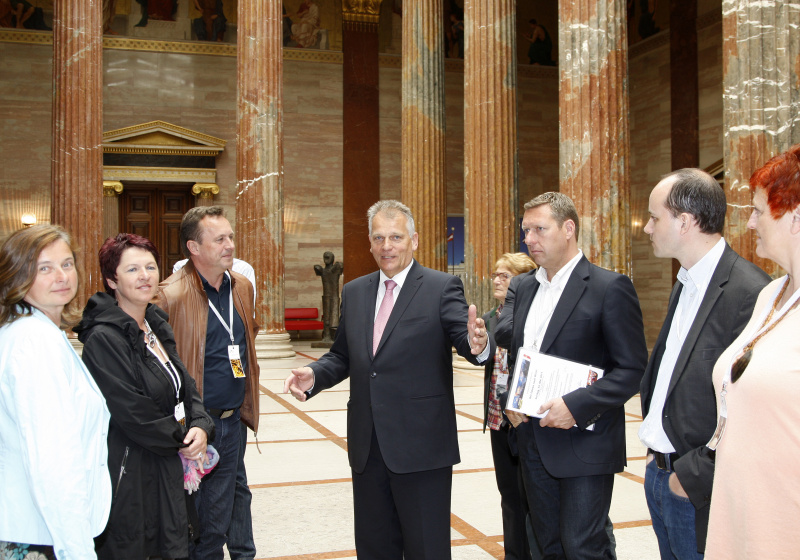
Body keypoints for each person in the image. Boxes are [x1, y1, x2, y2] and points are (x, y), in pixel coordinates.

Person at [284, 199, 492, 559]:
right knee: (374, 547)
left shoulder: (441, 287)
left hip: (422, 446)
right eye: (378, 238)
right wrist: (314, 374)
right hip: (368, 446)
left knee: (426, 548)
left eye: (395, 237)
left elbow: (467, 340)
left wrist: (480, 344)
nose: (387, 246)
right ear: (369, 242)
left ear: (414, 240)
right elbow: (343, 355)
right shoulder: (355, 291)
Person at [497, 192, 648, 560]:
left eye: (539, 229)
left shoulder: (608, 287)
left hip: (584, 441)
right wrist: (512, 402)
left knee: (583, 547)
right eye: (525, 230)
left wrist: (576, 406)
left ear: (568, 229)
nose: (529, 239)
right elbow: (521, 354)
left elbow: (631, 369)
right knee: (548, 546)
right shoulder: (525, 287)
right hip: (532, 439)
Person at [638, 169, 769, 559]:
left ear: (685, 221)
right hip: (660, 473)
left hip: (696, 489)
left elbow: (751, 406)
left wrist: (692, 475)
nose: (646, 228)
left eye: (654, 217)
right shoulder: (686, 281)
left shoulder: (750, 291)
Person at [74, 233, 215, 559]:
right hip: (133, 472)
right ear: (112, 279)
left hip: (167, 462)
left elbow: (184, 384)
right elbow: (134, 412)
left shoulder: (154, 325)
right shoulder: (103, 338)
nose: (145, 276)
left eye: (150, 267)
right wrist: (182, 439)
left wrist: (201, 424)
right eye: (132, 269)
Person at [705, 144, 800, 558]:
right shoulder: (772, 294)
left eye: (760, 210)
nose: (750, 223)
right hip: (739, 513)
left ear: (795, 217)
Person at [155, 206, 260, 560]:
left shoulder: (241, 287)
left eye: (230, 237)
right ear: (194, 248)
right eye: (220, 239)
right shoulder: (170, 295)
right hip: (194, 428)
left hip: (232, 422)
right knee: (190, 522)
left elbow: (245, 342)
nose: (230, 245)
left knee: (216, 522)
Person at [0, 225, 111, 560]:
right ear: (18, 275)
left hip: (34, 525)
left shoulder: (32, 332)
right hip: (41, 532)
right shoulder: (35, 343)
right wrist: (77, 550)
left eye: (67, 264)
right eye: (44, 268)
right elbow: (53, 462)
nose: (61, 276)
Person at [483, 252, 536, 560]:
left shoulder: (532, 315)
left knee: (531, 495)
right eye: (496, 274)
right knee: (508, 495)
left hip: (525, 419)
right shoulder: (490, 317)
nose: (497, 280)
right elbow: (481, 356)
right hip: (497, 418)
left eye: (505, 275)